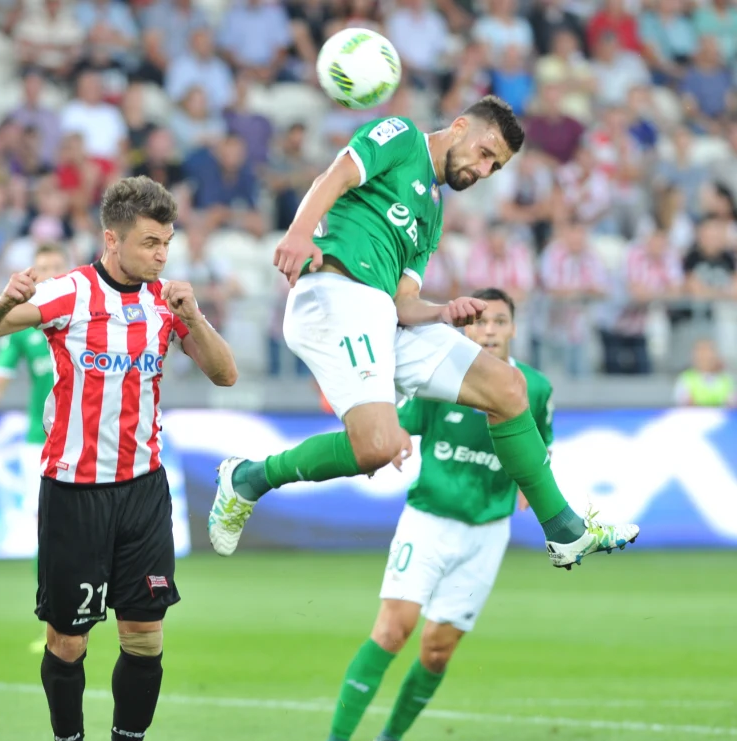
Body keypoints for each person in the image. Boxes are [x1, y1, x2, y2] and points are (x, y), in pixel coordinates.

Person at [207, 96, 639, 570]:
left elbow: (402, 304)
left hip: (381, 314)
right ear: (459, 128)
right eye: (485, 152)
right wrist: (298, 231)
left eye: (495, 166)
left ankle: (565, 532)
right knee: (377, 447)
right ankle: (247, 479)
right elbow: (334, 176)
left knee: (508, 388)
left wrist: (442, 312)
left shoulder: (431, 216)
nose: (484, 169)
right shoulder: (402, 137)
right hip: (337, 293)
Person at [0, 176, 237, 741]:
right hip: (75, 494)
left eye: (167, 242)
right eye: (150, 243)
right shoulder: (68, 294)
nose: (161, 255)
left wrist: (195, 316)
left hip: (143, 490)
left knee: (145, 639)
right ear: (112, 239)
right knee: (70, 642)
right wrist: (6, 298)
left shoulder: (167, 303)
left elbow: (225, 374)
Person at [312, 289, 556, 741]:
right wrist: (395, 436)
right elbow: (398, 421)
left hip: (488, 534)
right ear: (467, 330)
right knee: (393, 630)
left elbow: (542, 443)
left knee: (439, 649)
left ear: (513, 329)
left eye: (500, 321)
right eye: (481, 322)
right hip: (428, 522)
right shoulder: (445, 379)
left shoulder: (535, 388)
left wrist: (537, 484)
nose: (489, 330)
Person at [0, 242, 66, 655]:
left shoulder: (83, 316)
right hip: (41, 441)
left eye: (54, 266)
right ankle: (50, 615)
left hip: (88, 439)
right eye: (41, 267)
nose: (47, 273)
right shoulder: (25, 330)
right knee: (46, 525)